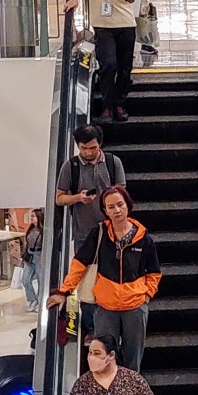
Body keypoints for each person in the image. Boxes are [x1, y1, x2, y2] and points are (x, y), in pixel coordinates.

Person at [48, 186, 161, 371]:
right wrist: (64, 291)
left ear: (127, 206)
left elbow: (154, 272)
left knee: (133, 360)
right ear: (105, 211)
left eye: (120, 205)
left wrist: (146, 295)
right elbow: (79, 264)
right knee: (104, 358)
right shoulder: (99, 233)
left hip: (135, 306)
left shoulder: (143, 238)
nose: (116, 210)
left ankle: (129, 394)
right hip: (106, 307)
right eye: (110, 207)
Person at [55, 124, 128, 331]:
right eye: (83, 148)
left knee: (114, 277)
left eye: (92, 148)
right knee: (87, 280)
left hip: (113, 231)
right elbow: (59, 198)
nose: (88, 152)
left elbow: (122, 195)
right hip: (84, 234)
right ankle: (90, 328)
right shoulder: (71, 167)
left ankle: (112, 325)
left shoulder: (113, 163)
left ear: (100, 144)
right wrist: (78, 197)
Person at [66, 0, 139, 123]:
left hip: (125, 23)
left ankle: (120, 104)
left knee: (125, 67)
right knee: (108, 64)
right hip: (102, 23)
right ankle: (107, 105)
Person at [21, 208, 45, 313]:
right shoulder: (30, 229)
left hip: (39, 256)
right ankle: (32, 299)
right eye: (31, 216)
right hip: (29, 256)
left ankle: (40, 302)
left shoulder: (43, 230)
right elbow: (26, 243)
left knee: (41, 280)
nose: (31, 218)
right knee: (25, 280)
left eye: (33, 216)